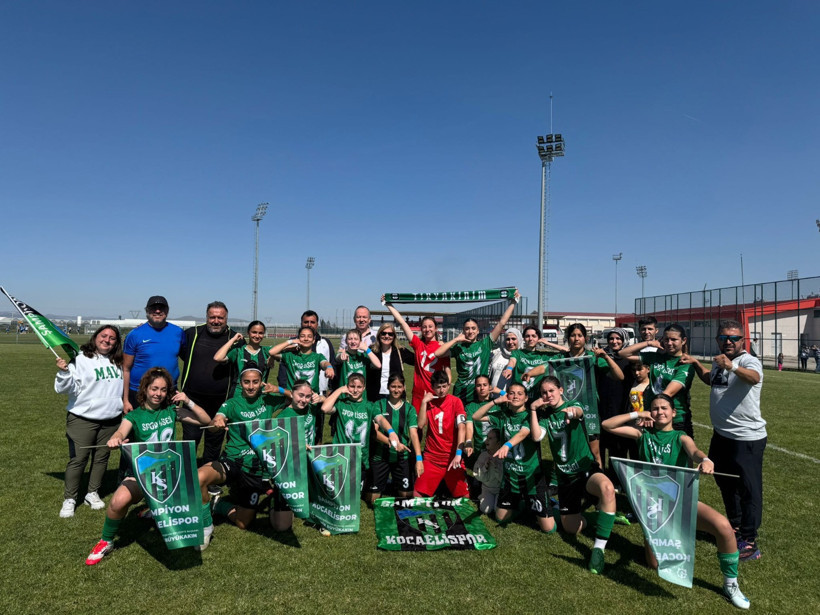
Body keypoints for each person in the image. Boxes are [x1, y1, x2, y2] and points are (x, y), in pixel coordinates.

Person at [601, 394, 750, 609]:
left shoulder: (681, 437)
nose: (659, 411)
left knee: (724, 527)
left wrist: (705, 460)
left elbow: (695, 451)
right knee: (654, 565)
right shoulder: (642, 434)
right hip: (654, 507)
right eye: (655, 408)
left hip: (681, 503)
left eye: (664, 408)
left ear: (673, 413)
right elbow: (607, 425)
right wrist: (638, 413)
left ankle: (731, 584)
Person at [85, 367, 211, 565]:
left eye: (163, 389)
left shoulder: (172, 411)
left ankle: (199, 523)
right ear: (145, 389)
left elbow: (206, 420)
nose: (158, 394)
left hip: (169, 474)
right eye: (154, 389)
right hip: (141, 474)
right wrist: (115, 439)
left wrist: (188, 401)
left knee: (194, 485)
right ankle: (106, 540)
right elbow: (120, 432)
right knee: (118, 501)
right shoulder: (134, 416)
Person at [197, 370, 309, 546]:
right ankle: (205, 527)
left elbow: (295, 397)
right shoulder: (232, 403)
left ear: (261, 382)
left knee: (243, 523)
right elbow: (213, 424)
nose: (251, 386)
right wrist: (216, 422)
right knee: (200, 477)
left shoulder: (268, 400)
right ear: (240, 383)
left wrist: (278, 389)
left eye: (255, 382)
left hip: (255, 469)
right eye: (247, 382)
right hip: (233, 460)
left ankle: (219, 505)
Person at [684, 320, 765, 561]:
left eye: (733, 338)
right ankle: (736, 527)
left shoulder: (748, 361)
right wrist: (698, 364)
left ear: (743, 340)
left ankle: (749, 541)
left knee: (749, 489)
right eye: (723, 337)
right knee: (724, 481)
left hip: (746, 438)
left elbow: (753, 377)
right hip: (722, 435)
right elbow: (712, 380)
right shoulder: (719, 361)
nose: (728, 341)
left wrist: (731, 366)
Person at [528, 376, 618, 575]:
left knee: (607, 488)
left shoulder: (572, 404)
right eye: (544, 393)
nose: (548, 395)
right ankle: (601, 516)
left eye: (551, 390)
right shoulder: (544, 416)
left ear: (561, 390)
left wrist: (572, 412)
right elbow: (536, 436)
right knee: (571, 528)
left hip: (585, 468)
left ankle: (598, 549)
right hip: (565, 477)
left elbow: (578, 412)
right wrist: (533, 410)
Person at [524, 323, 625, 465]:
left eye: (580, 335)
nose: (576, 339)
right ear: (567, 338)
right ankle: (573, 480)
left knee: (595, 453)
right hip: (566, 410)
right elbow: (545, 367)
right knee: (571, 449)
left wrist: (606, 357)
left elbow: (619, 377)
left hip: (589, 411)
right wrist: (530, 373)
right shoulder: (561, 357)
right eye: (572, 335)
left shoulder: (592, 357)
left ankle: (597, 481)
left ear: (585, 338)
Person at [55, 325, 124, 518]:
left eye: (112, 338)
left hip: (111, 419)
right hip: (83, 418)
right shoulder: (80, 359)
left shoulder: (118, 361)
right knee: (78, 459)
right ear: (95, 337)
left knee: (102, 458)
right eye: (104, 336)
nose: (107, 340)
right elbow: (63, 389)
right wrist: (63, 373)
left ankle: (92, 493)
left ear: (116, 342)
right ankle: (70, 498)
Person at [472, 383, 553, 532]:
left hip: (531, 475)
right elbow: (476, 416)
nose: (515, 396)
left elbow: (523, 433)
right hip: (510, 476)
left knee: (548, 528)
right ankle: (523, 505)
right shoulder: (503, 415)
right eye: (512, 393)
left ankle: (549, 506)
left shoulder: (531, 415)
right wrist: (495, 401)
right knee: (501, 517)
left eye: (520, 393)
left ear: (526, 397)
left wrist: (506, 446)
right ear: (507, 396)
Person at [179, 301, 242, 468]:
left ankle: (209, 479)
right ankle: (186, 478)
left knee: (214, 443)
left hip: (220, 402)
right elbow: (176, 351)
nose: (216, 321)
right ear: (206, 317)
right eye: (212, 317)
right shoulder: (192, 334)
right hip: (192, 399)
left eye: (220, 318)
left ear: (226, 318)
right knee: (190, 442)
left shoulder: (235, 339)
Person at [433, 290, 520, 404]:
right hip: (461, 391)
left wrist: (513, 302)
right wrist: (455, 340)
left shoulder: (485, 344)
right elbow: (437, 353)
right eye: (467, 328)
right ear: (463, 331)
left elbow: (501, 323)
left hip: (479, 391)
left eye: (473, 328)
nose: (470, 331)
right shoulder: (459, 347)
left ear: (478, 330)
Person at [321, 373, 398, 491]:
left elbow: (380, 419)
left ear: (364, 388)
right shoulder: (342, 403)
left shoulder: (369, 406)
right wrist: (340, 390)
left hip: (360, 456)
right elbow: (324, 408)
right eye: (352, 386)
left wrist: (391, 432)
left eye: (359, 387)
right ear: (347, 386)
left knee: (353, 493)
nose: (355, 390)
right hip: (340, 454)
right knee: (338, 491)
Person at [619, 324, 696, 437]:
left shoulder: (685, 364)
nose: (669, 343)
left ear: (683, 340)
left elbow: (668, 393)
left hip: (675, 418)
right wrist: (649, 343)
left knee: (677, 453)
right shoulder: (655, 357)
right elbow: (623, 353)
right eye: (666, 339)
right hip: (654, 414)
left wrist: (650, 411)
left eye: (674, 339)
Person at [277, 310, 336, 444]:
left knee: (316, 432)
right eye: (306, 322)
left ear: (317, 324)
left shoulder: (326, 343)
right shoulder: (293, 345)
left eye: (312, 322)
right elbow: (283, 367)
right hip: (296, 396)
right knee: (294, 431)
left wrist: (330, 388)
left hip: (317, 396)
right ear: (301, 323)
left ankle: (314, 458)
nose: (309, 324)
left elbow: (331, 364)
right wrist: (286, 392)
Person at [383, 298, 451, 410]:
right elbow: (402, 322)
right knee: (417, 426)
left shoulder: (442, 347)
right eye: (424, 327)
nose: (427, 329)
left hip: (435, 392)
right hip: (418, 394)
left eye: (430, 326)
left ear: (436, 329)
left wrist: (445, 387)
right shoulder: (418, 344)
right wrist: (388, 304)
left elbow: (447, 369)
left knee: (433, 426)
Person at [121, 296, 184, 414]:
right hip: (140, 392)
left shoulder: (178, 332)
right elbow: (126, 368)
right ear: (147, 311)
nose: (158, 311)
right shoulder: (135, 334)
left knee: (166, 429)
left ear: (167, 310)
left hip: (168, 391)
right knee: (138, 430)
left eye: (162, 308)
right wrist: (125, 399)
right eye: (153, 307)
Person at [365, 374, 421, 504]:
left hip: (402, 457)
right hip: (380, 457)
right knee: (372, 501)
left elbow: (413, 434)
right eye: (393, 386)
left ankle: (393, 482)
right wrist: (393, 442)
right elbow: (374, 433)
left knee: (406, 499)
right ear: (388, 387)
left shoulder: (409, 409)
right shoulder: (379, 405)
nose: (396, 390)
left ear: (404, 388)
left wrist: (419, 459)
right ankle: (384, 481)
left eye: (399, 387)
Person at [213, 321, 274, 398]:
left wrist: (272, 356)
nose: (257, 336)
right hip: (238, 395)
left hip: (260, 396)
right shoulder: (238, 351)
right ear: (248, 333)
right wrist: (232, 340)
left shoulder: (267, 351)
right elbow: (217, 358)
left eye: (260, 333)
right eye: (254, 332)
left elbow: (288, 348)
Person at [271, 326, 335, 393]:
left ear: (313, 340)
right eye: (302, 336)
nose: (306, 339)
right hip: (293, 398)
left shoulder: (318, 357)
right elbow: (271, 352)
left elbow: (324, 363)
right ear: (298, 339)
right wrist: (290, 342)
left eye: (309, 336)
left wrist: (329, 367)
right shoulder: (290, 356)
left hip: (312, 400)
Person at [500, 325, 556, 399]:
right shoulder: (517, 353)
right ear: (523, 338)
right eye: (527, 336)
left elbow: (567, 351)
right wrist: (509, 369)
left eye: (533, 336)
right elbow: (512, 361)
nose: (530, 339)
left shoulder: (544, 355)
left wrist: (547, 343)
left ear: (538, 338)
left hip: (538, 398)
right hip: (520, 397)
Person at [366, 322, 406, 402]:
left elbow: (418, 358)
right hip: (374, 395)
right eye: (383, 333)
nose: (387, 336)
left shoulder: (400, 351)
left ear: (394, 336)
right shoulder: (371, 351)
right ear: (379, 335)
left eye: (390, 334)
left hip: (395, 394)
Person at [473, 428, 504, 515]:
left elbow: (503, 479)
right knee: (485, 510)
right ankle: (483, 496)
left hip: (500, 489)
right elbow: (478, 476)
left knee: (497, 511)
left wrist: (496, 467)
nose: (486, 440)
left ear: (498, 443)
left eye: (490, 438)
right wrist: (484, 468)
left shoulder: (503, 457)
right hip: (487, 489)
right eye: (487, 437)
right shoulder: (483, 456)